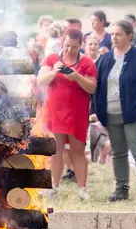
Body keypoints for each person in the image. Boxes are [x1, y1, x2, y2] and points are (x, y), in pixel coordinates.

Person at [37, 28, 97, 200]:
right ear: (63, 41)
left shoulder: (86, 63)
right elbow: (40, 80)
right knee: (55, 150)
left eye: (74, 47)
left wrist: (78, 77)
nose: (70, 49)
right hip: (54, 111)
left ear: (80, 45)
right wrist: (54, 71)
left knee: (77, 151)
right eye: (68, 45)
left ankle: (83, 189)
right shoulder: (52, 58)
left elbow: (92, 87)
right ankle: (53, 187)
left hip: (76, 113)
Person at [95, 20, 136, 201]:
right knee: (118, 153)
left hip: (134, 113)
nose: (114, 38)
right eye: (112, 34)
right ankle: (121, 189)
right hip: (111, 114)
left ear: (129, 36)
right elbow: (98, 85)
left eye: (118, 34)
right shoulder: (105, 59)